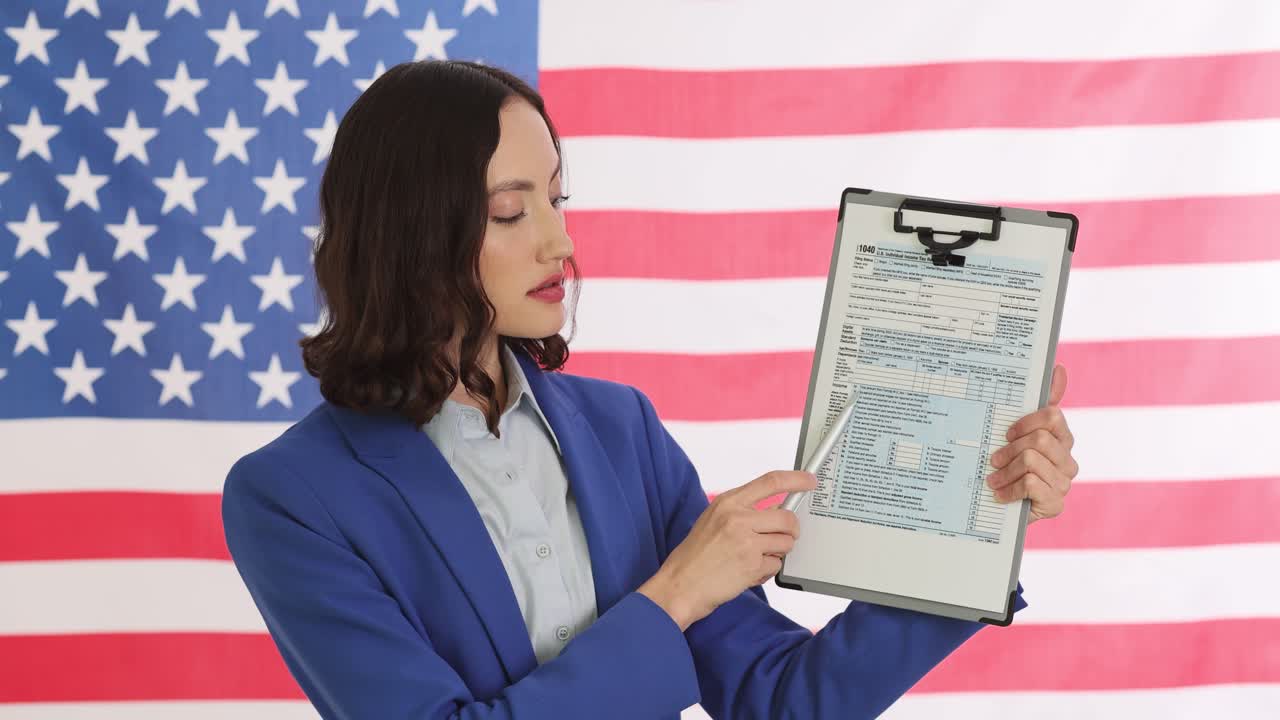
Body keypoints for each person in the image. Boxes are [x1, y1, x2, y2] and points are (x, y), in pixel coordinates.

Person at [221, 60, 1079, 720]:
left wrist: (979, 526)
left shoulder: (619, 429)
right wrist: (674, 595)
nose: (561, 242)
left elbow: (784, 697)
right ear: (410, 233)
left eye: (560, 199)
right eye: (513, 212)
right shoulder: (291, 497)